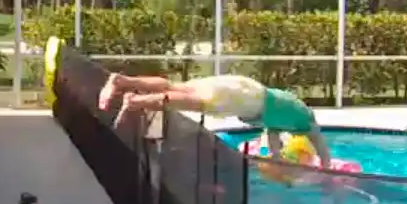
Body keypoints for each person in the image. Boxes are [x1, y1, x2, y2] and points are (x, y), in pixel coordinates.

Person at [98, 72, 333, 169]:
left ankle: (121, 80)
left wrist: (276, 158)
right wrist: (327, 172)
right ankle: (136, 102)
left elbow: (272, 137)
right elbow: (321, 145)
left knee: (176, 87)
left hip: (244, 85)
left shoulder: (287, 114)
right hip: (248, 98)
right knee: (198, 103)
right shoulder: (305, 122)